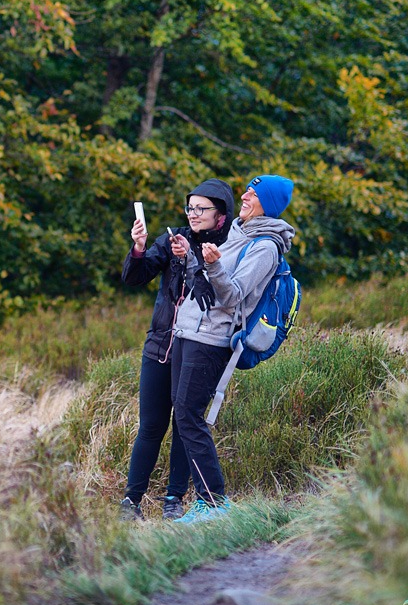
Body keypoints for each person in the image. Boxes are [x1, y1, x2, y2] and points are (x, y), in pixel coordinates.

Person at [167, 173, 296, 524]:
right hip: (189, 331)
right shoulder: (239, 232)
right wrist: (194, 260)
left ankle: (213, 501)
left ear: (266, 202)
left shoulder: (266, 247)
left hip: (211, 339)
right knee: (184, 414)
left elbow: (233, 294)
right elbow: (211, 280)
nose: (244, 196)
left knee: (190, 416)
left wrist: (211, 264)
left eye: (252, 193)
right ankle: (206, 500)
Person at [119, 179, 234, 522]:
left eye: (202, 208)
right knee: (151, 425)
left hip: (198, 349)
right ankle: (131, 502)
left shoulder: (229, 247)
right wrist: (139, 247)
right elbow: (134, 277)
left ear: (221, 216)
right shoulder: (173, 239)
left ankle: (174, 498)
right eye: (190, 207)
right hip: (159, 345)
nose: (194, 214)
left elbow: (220, 294)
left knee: (186, 423)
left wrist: (194, 260)